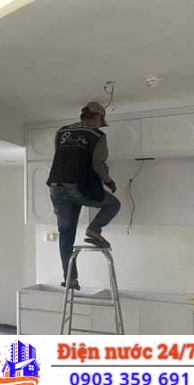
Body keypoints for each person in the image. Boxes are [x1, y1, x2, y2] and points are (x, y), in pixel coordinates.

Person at [46, 102, 121, 290]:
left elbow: (60, 157)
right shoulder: (97, 136)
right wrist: (109, 181)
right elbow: (98, 165)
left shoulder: (62, 132)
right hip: (78, 187)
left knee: (66, 235)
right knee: (113, 204)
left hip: (56, 187)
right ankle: (94, 229)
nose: (100, 124)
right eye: (101, 121)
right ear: (98, 117)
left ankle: (70, 279)